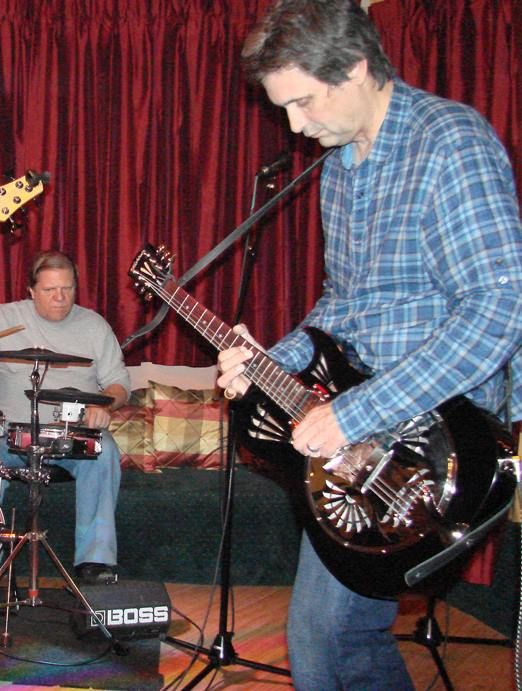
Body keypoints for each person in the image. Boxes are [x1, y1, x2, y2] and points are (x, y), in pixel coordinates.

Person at [216, 1, 522, 688]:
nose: (295, 126)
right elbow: (343, 308)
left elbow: (500, 308)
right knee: (328, 638)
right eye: (284, 109)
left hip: (435, 446)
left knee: (329, 637)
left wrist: (355, 413)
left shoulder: (449, 143)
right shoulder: (340, 169)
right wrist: (270, 362)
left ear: (355, 68)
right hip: (362, 445)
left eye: (302, 102)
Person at [0, 250, 129, 584]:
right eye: (50, 290)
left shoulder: (94, 326)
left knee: (105, 451)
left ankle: (95, 561)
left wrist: (105, 406)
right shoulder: (6, 317)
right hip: (10, 436)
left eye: (67, 289)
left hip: (70, 436)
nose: (60, 297)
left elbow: (119, 384)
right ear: (31, 291)